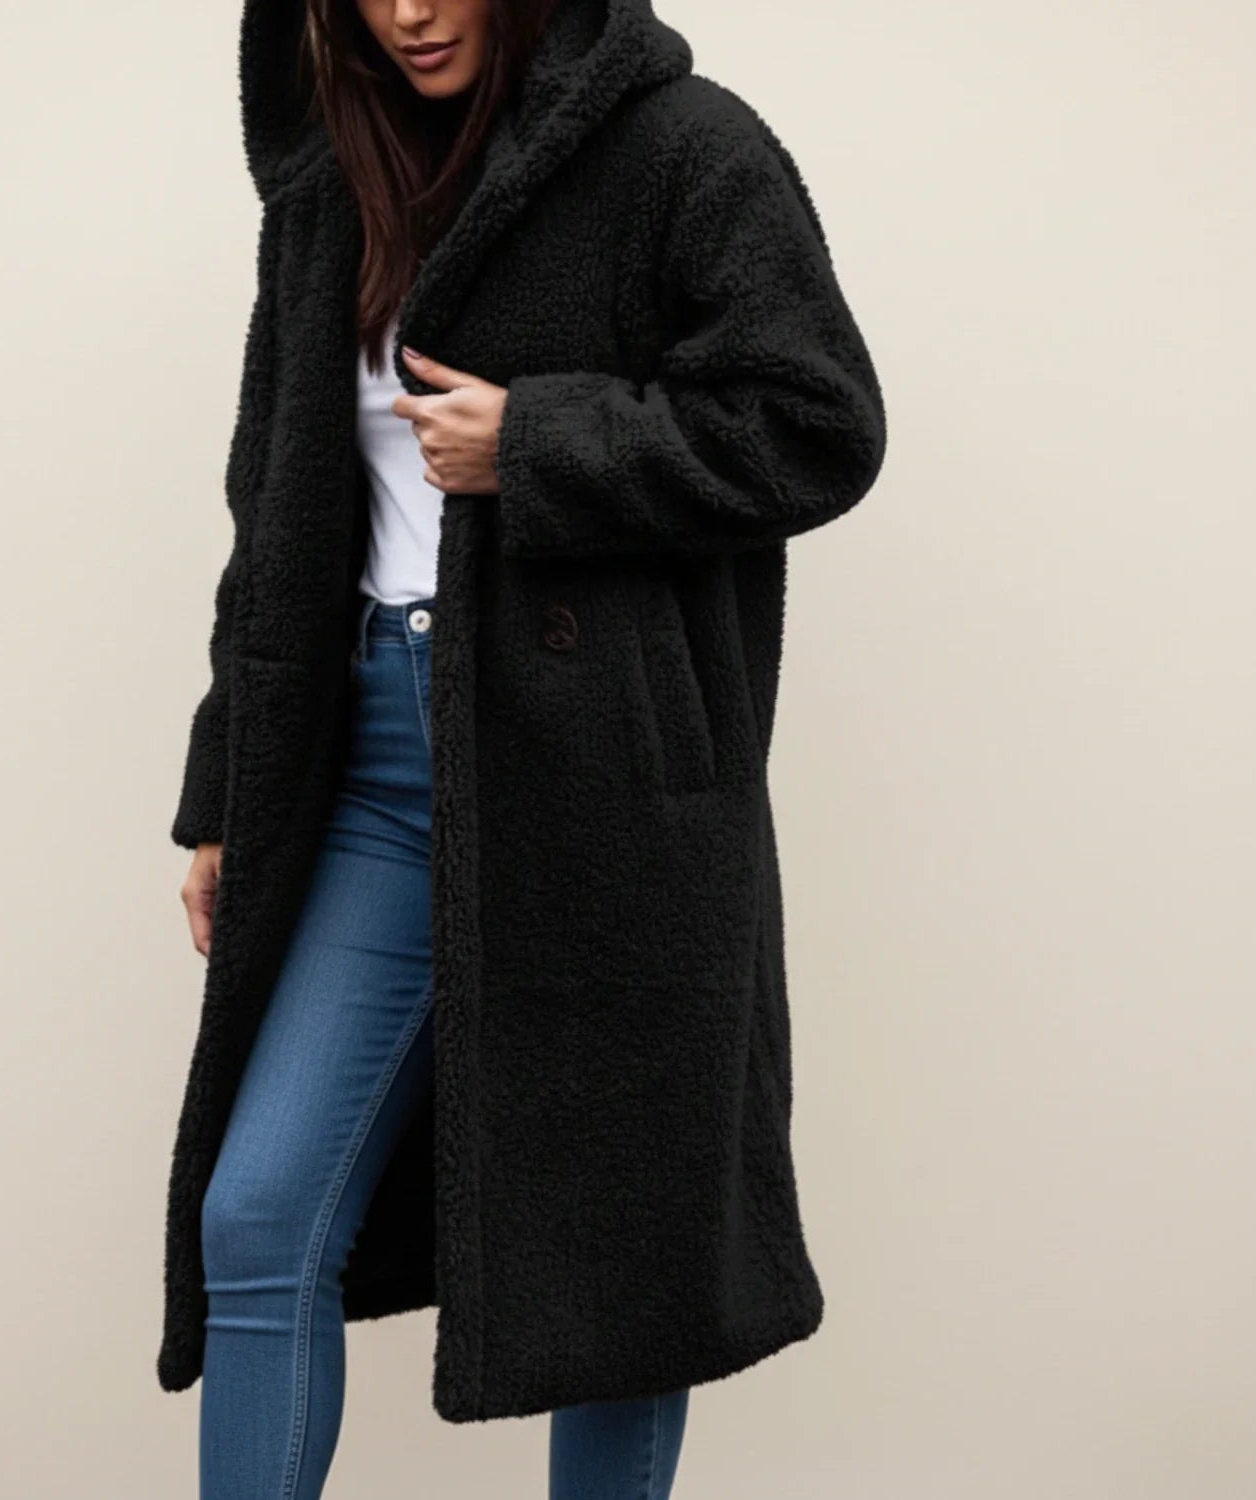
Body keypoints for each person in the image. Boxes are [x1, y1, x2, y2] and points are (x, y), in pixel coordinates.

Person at [163, 1, 887, 1496]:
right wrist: (224, 787)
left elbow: (818, 421)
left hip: (604, 777)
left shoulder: (682, 150)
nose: (411, 12)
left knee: (619, 1275)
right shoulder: (330, 190)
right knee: (260, 1215)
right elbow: (272, 515)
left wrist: (541, 443)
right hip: (370, 765)